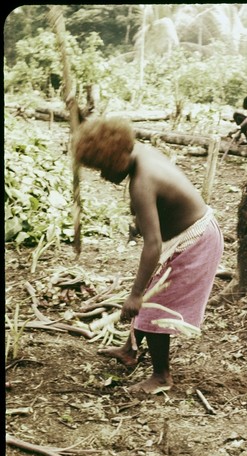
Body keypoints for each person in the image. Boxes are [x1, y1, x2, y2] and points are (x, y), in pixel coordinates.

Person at [74, 117, 224, 395]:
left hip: (195, 243)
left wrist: (135, 294)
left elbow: (152, 246)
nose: (104, 177)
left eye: (104, 169)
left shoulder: (142, 183)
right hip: (188, 235)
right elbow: (158, 207)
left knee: (155, 306)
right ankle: (130, 350)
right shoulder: (139, 151)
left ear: (116, 157)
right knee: (151, 296)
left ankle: (161, 376)